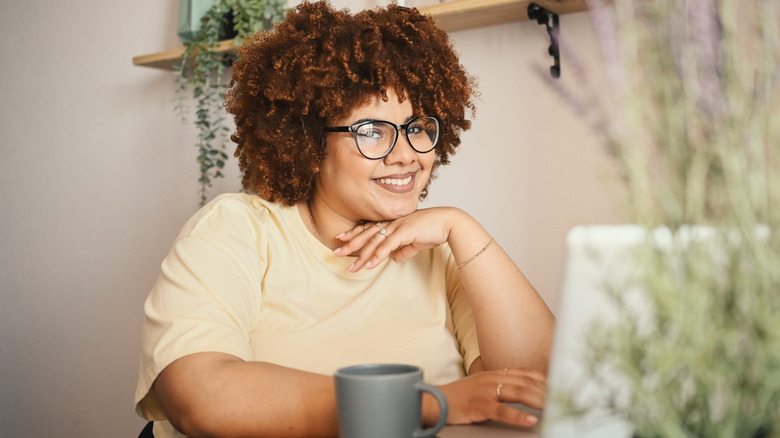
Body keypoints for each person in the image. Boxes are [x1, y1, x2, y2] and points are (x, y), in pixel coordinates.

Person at [134, 2, 555, 437]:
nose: (407, 154)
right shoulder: (235, 230)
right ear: (310, 143)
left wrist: (464, 228)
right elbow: (200, 395)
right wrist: (425, 403)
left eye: (418, 128)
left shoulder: (440, 251)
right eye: (371, 131)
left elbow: (534, 390)